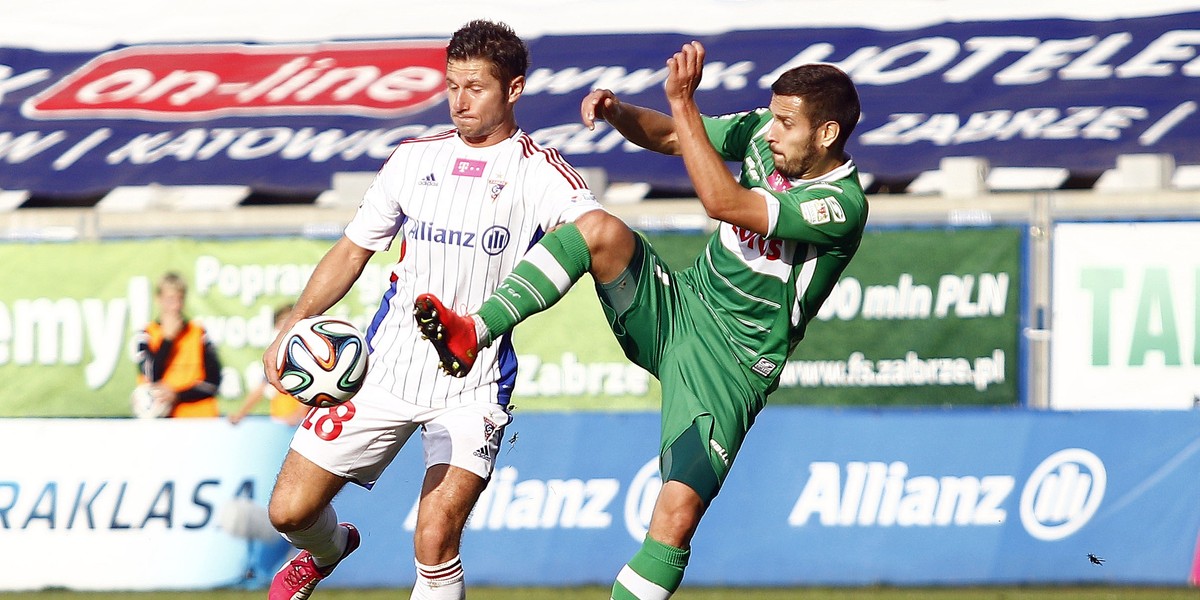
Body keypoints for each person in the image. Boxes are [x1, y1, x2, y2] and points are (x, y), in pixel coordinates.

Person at [414, 41, 867, 598]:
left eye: (786, 123)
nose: (771, 131)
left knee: (675, 517)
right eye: (771, 116)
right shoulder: (763, 136)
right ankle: (472, 331)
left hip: (733, 365)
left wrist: (682, 100)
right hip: (679, 308)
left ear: (825, 135)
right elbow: (678, 136)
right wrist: (620, 112)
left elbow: (724, 202)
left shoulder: (841, 204)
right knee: (599, 230)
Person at [261, 20, 602, 600]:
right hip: (381, 368)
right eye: (451, 86)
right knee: (289, 513)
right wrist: (292, 325)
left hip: (473, 381)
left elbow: (599, 237)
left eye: (475, 87)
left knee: (435, 537)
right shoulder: (411, 160)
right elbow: (352, 250)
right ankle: (329, 550)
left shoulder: (541, 174)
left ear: (513, 89)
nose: (459, 101)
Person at [131, 271, 222, 418]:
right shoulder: (147, 334)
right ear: (158, 299)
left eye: (179, 300)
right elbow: (150, 376)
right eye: (170, 299)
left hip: (199, 419)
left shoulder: (198, 333)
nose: (175, 306)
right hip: (165, 422)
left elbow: (213, 383)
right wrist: (167, 340)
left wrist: (177, 394)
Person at [228, 304, 309, 426]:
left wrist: (297, 415)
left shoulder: (308, 356)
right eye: (282, 323)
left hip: (305, 423)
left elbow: (313, 390)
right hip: (280, 422)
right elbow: (261, 388)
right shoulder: (278, 358)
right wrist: (240, 414)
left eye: (290, 322)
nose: (286, 327)